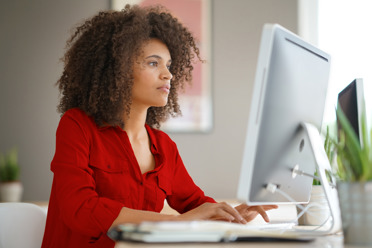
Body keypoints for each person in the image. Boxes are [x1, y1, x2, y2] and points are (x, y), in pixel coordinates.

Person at [41, 4, 277, 248]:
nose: (168, 75)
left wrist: (233, 215)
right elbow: (79, 209)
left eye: (169, 65)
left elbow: (198, 206)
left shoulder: (164, 148)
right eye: (154, 63)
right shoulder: (77, 125)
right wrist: (180, 221)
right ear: (118, 69)